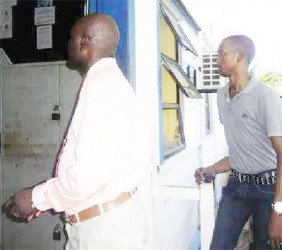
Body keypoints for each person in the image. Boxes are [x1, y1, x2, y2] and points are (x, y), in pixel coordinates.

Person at [2, 13, 148, 249]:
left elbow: (90, 173)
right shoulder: (106, 82)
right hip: (100, 224)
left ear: (84, 42)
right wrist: (52, 195)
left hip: (104, 234)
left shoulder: (102, 87)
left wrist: (36, 198)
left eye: (71, 37)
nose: (67, 44)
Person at [195, 35, 282, 249]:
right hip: (237, 188)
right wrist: (211, 169)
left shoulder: (265, 96)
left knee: (264, 246)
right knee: (219, 246)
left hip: (268, 189)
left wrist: (278, 210)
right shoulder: (222, 96)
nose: (217, 59)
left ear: (239, 57)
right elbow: (242, 151)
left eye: (222, 53)